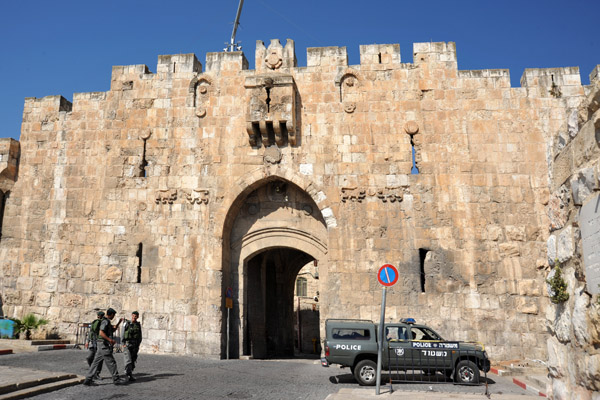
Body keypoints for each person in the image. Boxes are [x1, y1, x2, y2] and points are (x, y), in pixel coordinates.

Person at [82, 308, 124, 386]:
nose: (114, 317)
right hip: (103, 344)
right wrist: (110, 340)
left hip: (101, 344)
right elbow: (101, 333)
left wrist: (119, 322)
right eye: (113, 315)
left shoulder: (107, 321)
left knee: (95, 363)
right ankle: (116, 379)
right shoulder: (105, 321)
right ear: (111, 314)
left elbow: (113, 329)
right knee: (111, 362)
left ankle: (88, 379)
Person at [122, 311, 142, 381]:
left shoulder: (138, 325)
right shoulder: (126, 323)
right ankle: (127, 374)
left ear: (138, 317)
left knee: (133, 360)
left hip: (135, 345)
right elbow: (122, 333)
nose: (135, 317)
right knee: (128, 360)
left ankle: (130, 373)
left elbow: (140, 335)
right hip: (127, 344)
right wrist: (123, 344)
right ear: (132, 315)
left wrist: (139, 343)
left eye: (136, 316)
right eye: (134, 315)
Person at [85, 311, 105, 379]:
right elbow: (91, 332)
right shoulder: (95, 322)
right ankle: (92, 369)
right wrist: (87, 341)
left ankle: (97, 373)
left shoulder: (104, 323)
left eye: (100, 316)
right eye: (98, 316)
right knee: (89, 357)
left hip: (99, 342)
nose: (99, 317)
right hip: (93, 342)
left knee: (100, 359)